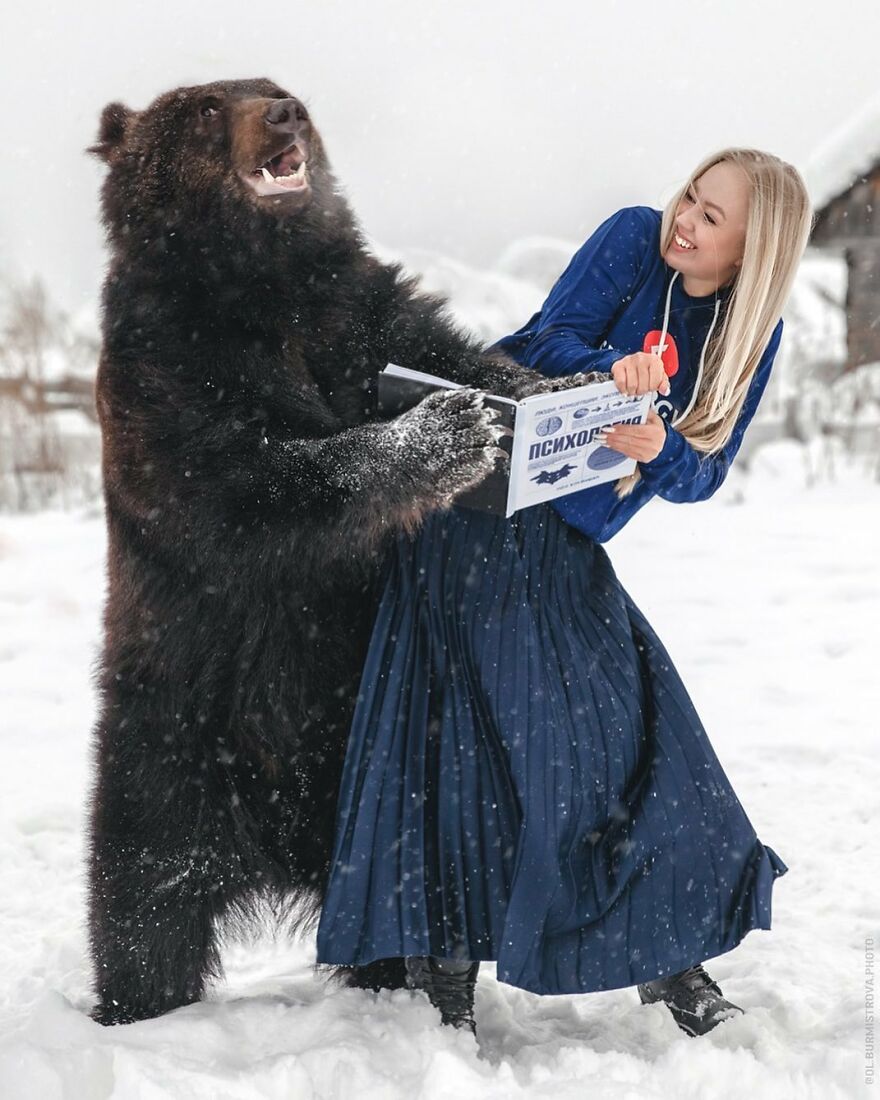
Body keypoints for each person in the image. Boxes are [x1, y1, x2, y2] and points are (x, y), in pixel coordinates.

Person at [315, 148, 813, 1039]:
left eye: (711, 218)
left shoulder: (751, 334)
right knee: (458, 734)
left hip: (563, 544)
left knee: (633, 737)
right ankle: (444, 968)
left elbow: (704, 473)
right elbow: (545, 339)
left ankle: (668, 956)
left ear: (753, 250)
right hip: (474, 510)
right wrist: (609, 371)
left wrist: (661, 449)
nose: (685, 220)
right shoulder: (633, 239)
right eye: (691, 197)